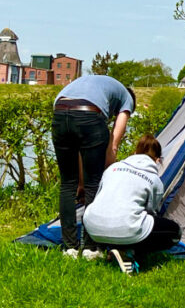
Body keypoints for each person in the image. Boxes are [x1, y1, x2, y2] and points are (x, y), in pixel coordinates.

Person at [52, 74, 136, 258]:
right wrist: (109, 179)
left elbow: (81, 150)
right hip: (90, 114)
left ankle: (70, 248)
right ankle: (91, 248)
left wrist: (80, 183)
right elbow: (113, 144)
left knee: (68, 184)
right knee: (94, 185)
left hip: (60, 111)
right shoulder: (127, 98)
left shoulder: (96, 84)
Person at [82, 134, 181, 272]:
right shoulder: (154, 179)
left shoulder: (113, 168)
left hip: (93, 229)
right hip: (127, 230)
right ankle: (128, 253)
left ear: (134, 153)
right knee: (174, 232)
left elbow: (100, 197)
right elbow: (152, 212)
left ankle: (105, 248)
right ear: (158, 160)